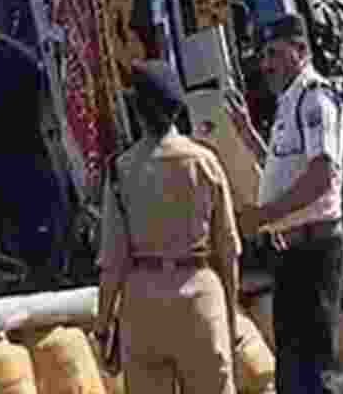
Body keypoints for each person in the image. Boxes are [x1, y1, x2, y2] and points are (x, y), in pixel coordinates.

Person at [94, 60, 242, 394]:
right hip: (201, 299)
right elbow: (229, 249)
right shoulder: (206, 163)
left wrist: (103, 328)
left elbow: (112, 263)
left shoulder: (121, 171)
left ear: (138, 111)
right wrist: (229, 317)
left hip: (142, 307)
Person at [232, 13, 343, 394]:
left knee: (313, 372)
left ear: (300, 50)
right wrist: (249, 138)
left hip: (315, 250)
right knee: (291, 370)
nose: (265, 65)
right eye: (263, 55)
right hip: (292, 253)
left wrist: (263, 217)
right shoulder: (290, 100)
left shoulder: (315, 97)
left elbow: (321, 178)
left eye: (273, 53)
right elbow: (285, 169)